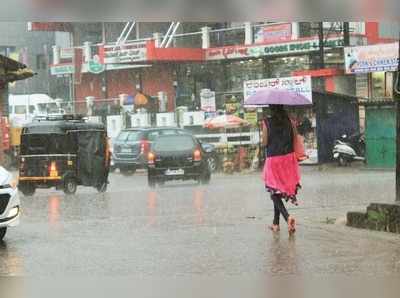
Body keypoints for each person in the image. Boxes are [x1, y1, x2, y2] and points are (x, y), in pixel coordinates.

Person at [261, 105, 301, 234]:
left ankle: (287, 217)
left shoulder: (267, 122)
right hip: (288, 159)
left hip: (274, 159)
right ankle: (275, 223)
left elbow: (265, 142)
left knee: (273, 192)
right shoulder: (290, 121)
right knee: (277, 191)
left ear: (271, 109)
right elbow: (295, 137)